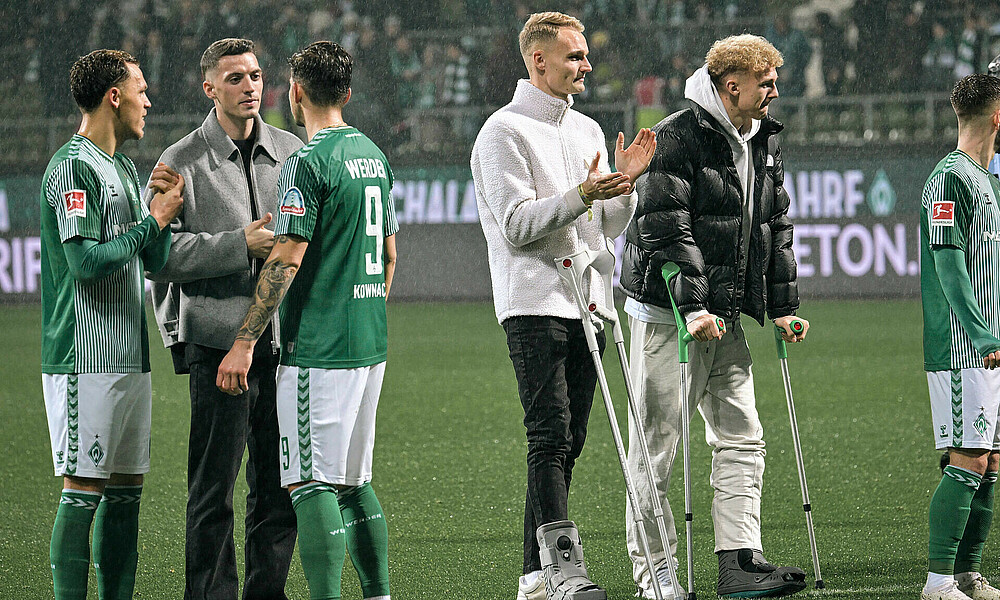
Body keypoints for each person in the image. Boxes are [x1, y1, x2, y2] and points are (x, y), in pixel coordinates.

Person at [470, 12, 655, 600]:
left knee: (568, 442)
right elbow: (518, 225)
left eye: (584, 55)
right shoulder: (502, 132)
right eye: (572, 56)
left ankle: (534, 574)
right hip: (534, 301)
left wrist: (622, 189)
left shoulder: (588, 131)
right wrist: (581, 195)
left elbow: (605, 229)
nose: (585, 64)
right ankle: (566, 573)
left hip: (591, 304)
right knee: (548, 437)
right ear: (537, 61)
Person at [619, 34, 808, 599]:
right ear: (732, 86)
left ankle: (738, 563)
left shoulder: (763, 139)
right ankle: (658, 582)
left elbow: (774, 223)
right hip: (667, 317)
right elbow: (664, 227)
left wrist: (781, 307)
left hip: (720, 313)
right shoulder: (678, 136)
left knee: (743, 437)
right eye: (765, 83)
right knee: (657, 447)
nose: (774, 91)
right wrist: (693, 305)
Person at [216, 41, 398, 600]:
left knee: (308, 482)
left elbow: (288, 256)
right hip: (369, 343)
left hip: (318, 350)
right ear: (346, 92)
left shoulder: (307, 161)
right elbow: (390, 254)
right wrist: (360, 303)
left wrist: (245, 340)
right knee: (355, 482)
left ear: (294, 92)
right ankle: (379, 594)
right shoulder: (373, 153)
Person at [145, 38, 304, 600]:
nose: (250, 87)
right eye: (235, 78)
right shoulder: (178, 161)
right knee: (214, 488)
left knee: (277, 486)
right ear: (209, 88)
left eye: (256, 76)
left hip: (283, 345)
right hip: (215, 346)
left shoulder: (291, 150)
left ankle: (267, 593)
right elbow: (158, 256)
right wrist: (240, 244)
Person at [40, 49, 184, 599]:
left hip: (130, 355)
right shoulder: (73, 165)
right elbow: (85, 264)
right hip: (84, 357)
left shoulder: (123, 167)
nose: (149, 101)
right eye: (141, 90)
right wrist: (151, 221)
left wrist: (161, 210)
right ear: (113, 96)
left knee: (126, 494)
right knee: (83, 491)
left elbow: (152, 261)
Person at [919, 73, 1000, 600]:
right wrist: (982, 334)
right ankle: (938, 580)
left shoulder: (986, 179)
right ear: (998, 118)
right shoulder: (949, 178)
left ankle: (967, 573)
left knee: (991, 461)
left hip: (990, 348)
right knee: (968, 457)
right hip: (961, 348)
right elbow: (949, 270)